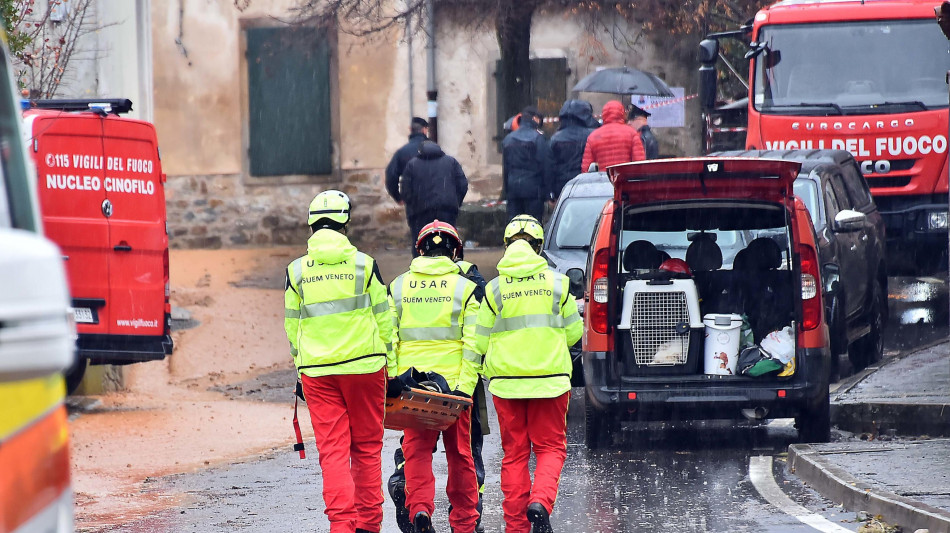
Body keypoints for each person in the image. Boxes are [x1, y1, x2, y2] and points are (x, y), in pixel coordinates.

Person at [283, 190, 395, 533]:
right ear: (345, 223)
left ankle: (342, 526)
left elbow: (292, 326)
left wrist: (302, 364)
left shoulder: (297, 271)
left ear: (313, 225)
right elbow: (385, 319)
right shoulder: (365, 264)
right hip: (365, 368)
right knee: (366, 448)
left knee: (332, 452)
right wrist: (388, 360)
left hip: (318, 373)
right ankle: (369, 525)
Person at [475, 215, 583, 533]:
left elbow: (479, 340)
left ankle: (516, 526)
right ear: (538, 249)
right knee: (550, 448)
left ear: (508, 246)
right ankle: (540, 502)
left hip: (507, 385)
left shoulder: (494, 290)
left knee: (515, 454)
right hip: (551, 382)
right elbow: (574, 334)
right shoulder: (559, 285)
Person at [388, 227, 490, 533]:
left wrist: (394, 379)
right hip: (454, 391)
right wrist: (465, 387)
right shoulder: (465, 288)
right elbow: (474, 345)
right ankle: (464, 524)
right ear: (455, 253)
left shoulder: (398, 287)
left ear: (419, 252)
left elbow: (388, 338)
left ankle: (420, 510)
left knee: (416, 453)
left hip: (413, 390)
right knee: (461, 457)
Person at [401, 140, 469, 257]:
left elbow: (406, 190)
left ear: (420, 151)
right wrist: (455, 202)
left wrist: (414, 204)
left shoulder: (412, 164)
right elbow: (462, 185)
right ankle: (455, 265)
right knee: (450, 239)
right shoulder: (451, 162)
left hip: (420, 212)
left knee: (421, 242)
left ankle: (421, 269)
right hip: (446, 210)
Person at [502, 106, 552, 222]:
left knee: (514, 223)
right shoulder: (538, 139)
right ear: (535, 119)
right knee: (533, 224)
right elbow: (546, 166)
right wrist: (548, 193)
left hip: (513, 188)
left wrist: (507, 190)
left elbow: (506, 168)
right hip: (533, 190)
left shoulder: (508, 139)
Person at [549, 99, 596, 200]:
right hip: (585, 183)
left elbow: (550, 166)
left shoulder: (556, 138)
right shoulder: (591, 135)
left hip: (562, 185)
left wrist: (551, 191)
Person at [581, 100, 646, 172]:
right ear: (622, 113)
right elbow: (639, 164)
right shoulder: (632, 133)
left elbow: (586, 168)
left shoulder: (593, 136)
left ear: (604, 114)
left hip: (602, 180)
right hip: (624, 180)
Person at [386, 117, 429, 204]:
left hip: (413, 201)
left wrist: (398, 197)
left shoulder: (401, 152)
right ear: (424, 130)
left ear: (410, 129)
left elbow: (391, 176)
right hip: (434, 199)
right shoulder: (436, 150)